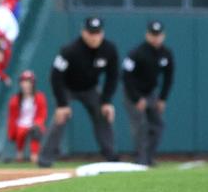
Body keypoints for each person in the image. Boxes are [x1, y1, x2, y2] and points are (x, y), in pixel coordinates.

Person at [37, 17, 119, 168]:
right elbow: (56, 76)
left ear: (102, 33)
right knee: (60, 118)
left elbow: (112, 76)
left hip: (90, 88)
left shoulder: (109, 49)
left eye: (97, 33)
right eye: (91, 33)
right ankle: (45, 158)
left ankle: (111, 156)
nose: (94, 37)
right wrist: (62, 104)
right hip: (67, 87)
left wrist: (107, 101)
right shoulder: (70, 50)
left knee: (103, 114)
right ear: (83, 32)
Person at [122, 21, 174, 167]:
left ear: (163, 35)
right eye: (153, 35)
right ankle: (141, 159)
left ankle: (149, 158)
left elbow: (168, 77)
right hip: (133, 93)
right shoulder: (136, 53)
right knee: (140, 126)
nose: (156, 38)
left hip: (151, 93)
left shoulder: (166, 54)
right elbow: (126, 77)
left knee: (157, 125)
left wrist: (162, 98)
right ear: (147, 35)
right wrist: (136, 98)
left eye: (158, 35)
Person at [6, 70, 47, 163]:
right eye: (24, 82)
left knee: (36, 130)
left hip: (34, 124)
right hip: (20, 125)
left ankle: (34, 155)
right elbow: (12, 118)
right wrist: (11, 132)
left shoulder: (39, 97)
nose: (26, 85)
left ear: (33, 84)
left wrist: (37, 123)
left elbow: (42, 115)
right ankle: (19, 153)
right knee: (20, 132)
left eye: (29, 82)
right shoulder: (15, 100)